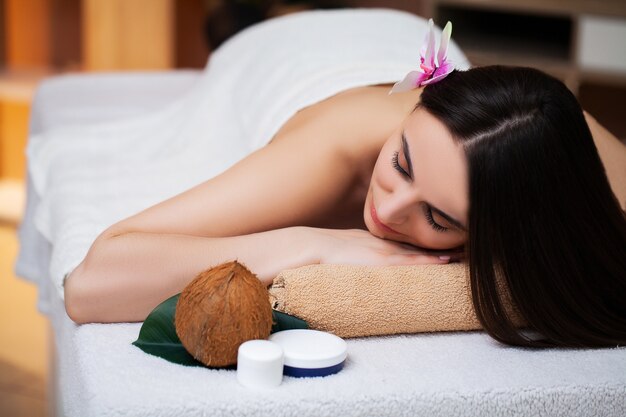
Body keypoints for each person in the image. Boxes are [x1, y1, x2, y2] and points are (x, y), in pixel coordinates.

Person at [63, 9, 626, 348]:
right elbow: (90, 284)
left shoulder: (566, 148)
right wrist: (314, 243)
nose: (390, 208)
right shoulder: (330, 152)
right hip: (288, 56)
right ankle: (240, 22)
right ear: (415, 111)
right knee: (244, 35)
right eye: (401, 163)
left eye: (437, 217)